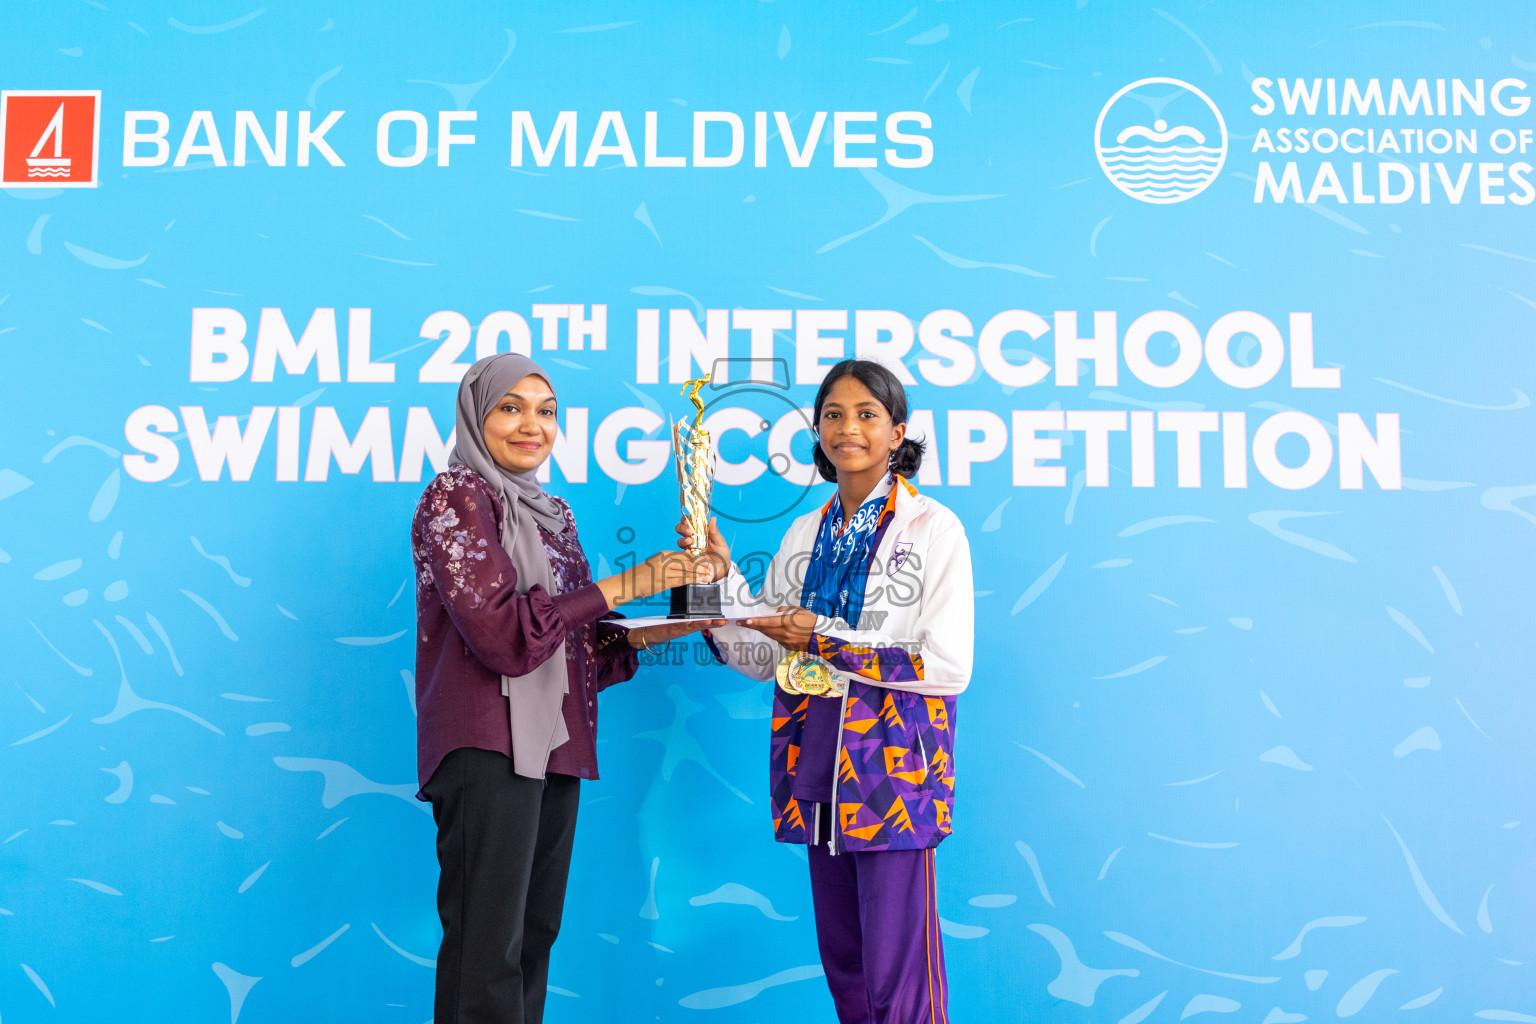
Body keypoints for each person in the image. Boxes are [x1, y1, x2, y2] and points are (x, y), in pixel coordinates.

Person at [412, 353, 718, 1024]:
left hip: (552, 748)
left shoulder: (553, 514)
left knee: (531, 943)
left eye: (546, 411)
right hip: (485, 747)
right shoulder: (457, 496)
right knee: (485, 951)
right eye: (511, 408)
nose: (533, 425)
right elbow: (502, 636)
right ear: (475, 415)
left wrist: (694, 604)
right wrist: (623, 584)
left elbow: (580, 649)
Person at [686, 358, 974, 1024]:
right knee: (845, 968)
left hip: (890, 783)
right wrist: (714, 583)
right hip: (816, 774)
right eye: (834, 416)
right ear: (817, 433)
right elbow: (762, 655)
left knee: (900, 979)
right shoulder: (805, 532)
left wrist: (823, 637)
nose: (849, 429)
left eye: (867, 415)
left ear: (898, 432)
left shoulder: (933, 529)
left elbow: (947, 665)